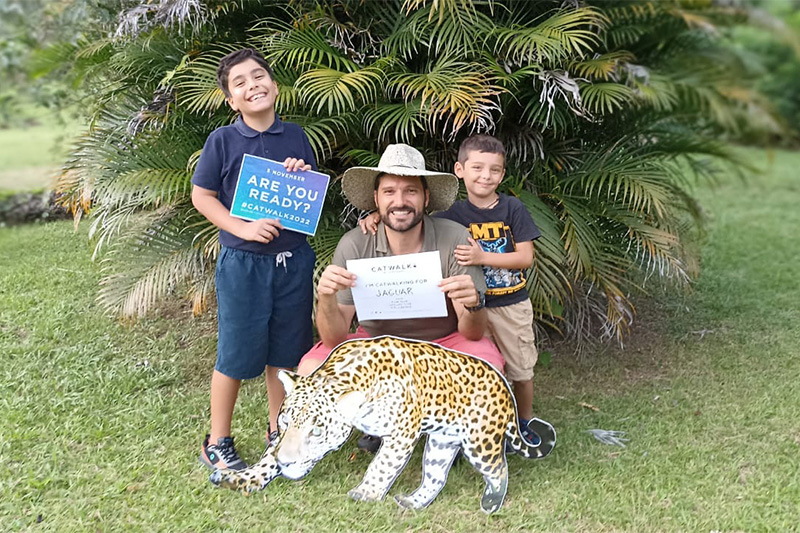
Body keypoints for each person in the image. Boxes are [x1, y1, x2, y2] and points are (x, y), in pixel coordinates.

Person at [296, 143, 505, 453]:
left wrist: (474, 303)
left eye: (410, 191)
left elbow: (471, 332)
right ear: (376, 199)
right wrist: (324, 298)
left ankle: (450, 432)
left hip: (442, 342)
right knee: (310, 368)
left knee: (490, 368)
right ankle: (375, 422)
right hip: (376, 345)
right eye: (390, 192)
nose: (400, 202)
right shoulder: (354, 243)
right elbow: (334, 337)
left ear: (426, 197)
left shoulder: (454, 237)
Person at [359, 135, 542, 446]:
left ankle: (522, 423)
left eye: (495, 170)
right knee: (480, 368)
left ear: (503, 174)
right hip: (469, 310)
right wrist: (377, 215)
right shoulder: (452, 215)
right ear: (460, 169)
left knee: (520, 369)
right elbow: (408, 215)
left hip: (509, 304)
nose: (486, 176)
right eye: (478, 168)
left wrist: (483, 257)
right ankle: (477, 421)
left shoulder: (512, 208)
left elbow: (526, 257)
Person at [191, 48, 317, 471]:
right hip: (243, 264)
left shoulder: (297, 136)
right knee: (236, 353)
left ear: (275, 86)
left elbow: (306, 193)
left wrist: (299, 170)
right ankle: (218, 440)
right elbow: (202, 195)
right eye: (239, 83)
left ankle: (279, 430)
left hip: (294, 261)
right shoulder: (222, 141)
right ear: (231, 100)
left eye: (258, 76)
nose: (252, 85)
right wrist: (240, 227)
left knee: (285, 353)